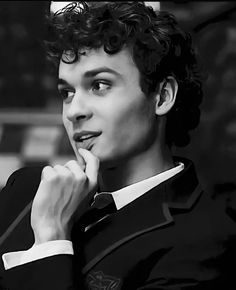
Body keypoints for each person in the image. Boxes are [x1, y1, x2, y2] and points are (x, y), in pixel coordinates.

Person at [0, 2, 236, 289]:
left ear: (162, 96)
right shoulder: (26, 188)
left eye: (99, 85)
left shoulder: (207, 241)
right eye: (67, 92)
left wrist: (51, 239)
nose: (74, 110)